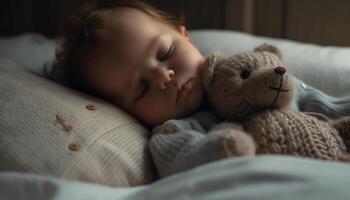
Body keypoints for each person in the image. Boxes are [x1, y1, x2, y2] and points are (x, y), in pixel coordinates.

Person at [54, 0, 350, 178]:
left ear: (188, 38)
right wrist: (221, 148)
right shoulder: (174, 130)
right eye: (142, 88)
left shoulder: (255, 76)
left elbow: (323, 104)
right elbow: (183, 158)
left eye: (165, 52)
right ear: (126, 111)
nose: (164, 77)